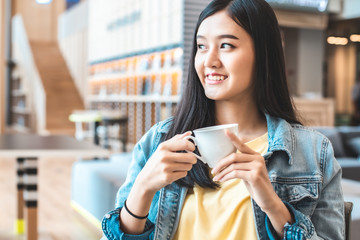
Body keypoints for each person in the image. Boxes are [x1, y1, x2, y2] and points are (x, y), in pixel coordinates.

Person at [102, 0, 344, 239]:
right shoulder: (159, 141)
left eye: (226, 45)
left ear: (263, 54)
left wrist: (273, 206)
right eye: (202, 46)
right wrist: (142, 189)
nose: (209, 61)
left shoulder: (313, 152)